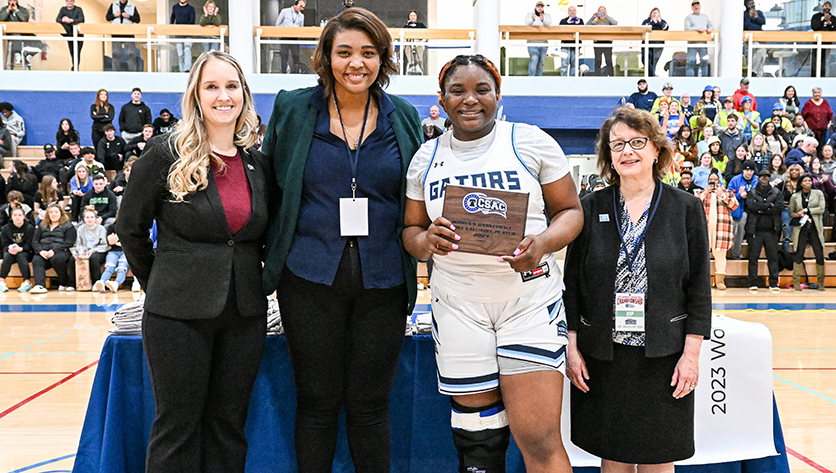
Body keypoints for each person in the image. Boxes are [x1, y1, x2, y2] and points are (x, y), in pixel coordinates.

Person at [259, 9, 423, 472]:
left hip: (385, 281)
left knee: (371, 406)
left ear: (383, 59)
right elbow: (269, 185)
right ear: (326, 57)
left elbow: (415, 194)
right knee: (316, 402)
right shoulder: (293, 108)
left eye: (368, 53)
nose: (356, 63)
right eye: (345, 52)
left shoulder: (403, 115)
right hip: (307, 278)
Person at [402, 53, 580, 473]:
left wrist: (544, 242)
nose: (470, 100)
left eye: (482, 90)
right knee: (478, 442)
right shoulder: (425, 157)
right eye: (457, 91)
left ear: (498, 94)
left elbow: (570, 211)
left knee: (537, 438)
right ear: (441, 100)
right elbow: (410, 231)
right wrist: (426, 240)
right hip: (460, 305)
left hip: (528, 301)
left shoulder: (530, 141)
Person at [118, 50, 270, 472]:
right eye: (212, 86)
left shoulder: (259, 163)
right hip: (177, 315)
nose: (224, 96)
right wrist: (163, 282)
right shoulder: (164, 153)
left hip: (244, 315)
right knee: (177, 427)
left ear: (244, 93)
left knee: (228, 426)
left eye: (231, 86)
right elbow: (129, 228)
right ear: (196, 96)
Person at [564, 107, 710, 471]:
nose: (627, 151)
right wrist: (572, 345)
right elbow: (572, 284)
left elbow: (700, 289)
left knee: (659, 456)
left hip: (664, 355)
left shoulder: (686, 208)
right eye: (617, 145)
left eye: (636, 142)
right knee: (612, 453)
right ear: (608, 156)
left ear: (656, 150)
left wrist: (691, 355)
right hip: (604, 354)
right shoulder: (590, 206)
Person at [745, 168, 784, 292]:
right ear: (759, 178)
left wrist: (761, 208)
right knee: (753, 257)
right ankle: (753, 283)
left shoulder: (777, 192)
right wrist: (769, 206)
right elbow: (751, 206)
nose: (764, 179)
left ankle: (773, 283)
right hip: (755, 230)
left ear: (770, 179)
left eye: (767, 177)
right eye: (762, 177)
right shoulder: (752, 192)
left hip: (772, 230)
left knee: (773, 257)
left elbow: (779, 207)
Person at [700, 169, 738, 290]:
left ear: (720, 181)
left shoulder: (727, 193)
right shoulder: (702, 193)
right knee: (701, 255)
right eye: (711, 180)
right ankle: (702, 282)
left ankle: (720, 280)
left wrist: (722, 195)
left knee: (720, 254)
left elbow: (734, 205)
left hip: (721, 229)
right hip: (704, 229)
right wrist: (705, 193)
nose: (713, 182)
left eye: (716, 180)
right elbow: (693, 205)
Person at [789, 174, 826, 291]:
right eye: (805, 181)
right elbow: (791, 213)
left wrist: (807, 210)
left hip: (815, 227)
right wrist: (797, 214)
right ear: (801, 183)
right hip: (801, 227)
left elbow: (821, 209)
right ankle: (796, 281)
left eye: (809, 181)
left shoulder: (818, 193)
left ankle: (821, 282)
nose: (808, 183)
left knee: (819, 254)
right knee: (799, 253)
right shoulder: (795, 196)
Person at [29, 203, 76, 294]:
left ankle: (64, 283)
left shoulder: (68, 226)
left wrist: (54, 250)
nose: (53, 214)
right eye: (51, 212)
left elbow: (69, 242)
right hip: (44, 251)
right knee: (37, 259)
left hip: (61, 251)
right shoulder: (42, 225)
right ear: (48, 214)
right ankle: (40, 285)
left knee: (57, 259)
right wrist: (41, 251)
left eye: (56, 212)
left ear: (61, 213)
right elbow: (35, 241)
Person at [727, 159, 757, 260]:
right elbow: (728, 195)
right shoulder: (735, 180)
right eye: (746, 170)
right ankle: (735, 254)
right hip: (740, 210)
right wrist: (740, 195)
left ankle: (753, 256)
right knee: (739, 230)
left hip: (755, 210)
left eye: (751, 171)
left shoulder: (757, 180)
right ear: (743, 170)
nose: (748, 173)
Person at [72, 207, 109, 285]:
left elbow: (104, 245)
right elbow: (78, 243)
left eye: (92, 217)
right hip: (84, 251)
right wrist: (81, 251)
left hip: (98, 251)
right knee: (72, 259)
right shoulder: (80, 229)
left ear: (95, 218)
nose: (89, 219)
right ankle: (73, 284)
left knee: (94, 259)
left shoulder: (101, 229)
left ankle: (96, 283)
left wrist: (92, 251)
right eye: (87, 217)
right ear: (84, 219)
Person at [0, 206, 34, 292]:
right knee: (7, 255)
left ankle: (27, 282)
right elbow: (5, 244)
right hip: (11, 251)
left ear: (24, 216)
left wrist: (21, 249)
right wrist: (10, 248)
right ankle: (1, 281)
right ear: (11, 217)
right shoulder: (5, 228)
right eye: (15, 215)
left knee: (21, 255)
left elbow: (30, 244)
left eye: (19, 215)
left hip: (26, 251)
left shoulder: (29, 228)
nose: (17, 217)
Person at [93, 216, 129, 292]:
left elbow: (130, 242)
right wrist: (121, 238)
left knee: (121, 268)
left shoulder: (130, 227)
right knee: (109, 267)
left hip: (126, 251)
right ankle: (101, 282)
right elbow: (110, 242)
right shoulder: (112, 227)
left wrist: (116, 239)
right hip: (113, 251)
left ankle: (116, 284)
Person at [106, 0, 141, 72]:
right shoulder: (113, 4)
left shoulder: (132, 5)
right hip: (116, 33)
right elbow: (107, 17)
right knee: (116, 54)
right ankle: (116, 73)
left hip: (128, 33)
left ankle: (132, 73)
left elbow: (137, 20)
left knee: (131, 54)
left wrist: (129, 16)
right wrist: (115, 15)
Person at [275, 0, 306, 74]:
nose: (301, 9)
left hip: (295, 38)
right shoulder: (285, 11)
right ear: (295, 4)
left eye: (303, 7)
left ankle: (295, 72)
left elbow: (301, 28)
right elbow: (278, 24)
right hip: (285, 37)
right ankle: (283, 72)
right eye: (300, 6)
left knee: (296, 56)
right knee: (284, 55)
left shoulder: (301, 16)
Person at [684, 0, 713, 77]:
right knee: (691, 61)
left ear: (700, 6)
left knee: (704, 60)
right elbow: (687, 28)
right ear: (692, 8)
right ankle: (690, 78)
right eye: (694, 6)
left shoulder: (705, 17)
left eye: (697, 5)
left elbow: (710, 26)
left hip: (703, 42)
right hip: (692, 42)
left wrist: (710, 29)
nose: (696, 7)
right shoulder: (689, 17)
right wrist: (697, 29)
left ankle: (704, 76)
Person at [801, 87, 832, 155]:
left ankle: (820, 162)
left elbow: (830, 114)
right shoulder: (808, 103)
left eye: (818, 92)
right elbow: (803, 116)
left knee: (821, 147)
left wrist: (829, 123)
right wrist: (806, 126)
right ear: (813, 94)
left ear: (821, 93)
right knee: (811, 147)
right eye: (815, 93)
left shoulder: (825, 103)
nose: (817, 94)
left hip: (822, 129)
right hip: (811, 130)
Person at [588, 6, 617, 77]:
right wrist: (593, 17)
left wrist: (607, 16)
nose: (601, 13)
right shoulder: (595, 22)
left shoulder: (608, 21)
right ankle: (597, 75)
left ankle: (611, 75)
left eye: (603, 11)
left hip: (607, 42)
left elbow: (615, 23)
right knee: (598, 60)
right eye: (600, 11)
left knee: (609, 60)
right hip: (598, 42)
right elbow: (587, 25)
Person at [525, 1, 552, 76]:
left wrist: (543, 19)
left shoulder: (547, 15)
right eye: (538, 7)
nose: (540, 8)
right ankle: (531, 77)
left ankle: (539, 78)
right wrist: (533, 19)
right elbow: (527, 23)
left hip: (543, 43)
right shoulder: (530, 15)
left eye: (541, 7)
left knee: (541, 62)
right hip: (532, 43)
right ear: (535, 7)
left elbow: (549, 23)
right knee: (534, 58)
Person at [56, 0, 85, 70]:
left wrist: (71, 20)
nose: (69, 2)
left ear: (73, 2)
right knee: (72, 51)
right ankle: (74, 66)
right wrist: (64, 20)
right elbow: (57, 19)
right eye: (68, 1)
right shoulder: (63, 9)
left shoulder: (78, 9)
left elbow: (82, 19)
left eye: (71, 1)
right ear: (66, 2)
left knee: (77, 51)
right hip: (69, 35)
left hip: (78, 35)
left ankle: (75, 67)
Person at [810, 1, 835, 78]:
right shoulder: (816, 16)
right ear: (822, 7)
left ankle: (823, 76)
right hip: (817, 42)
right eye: (825, 6)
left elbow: (834, 29)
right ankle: (814, 76)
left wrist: (828, 22)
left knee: (825, 61)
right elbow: (815, 27)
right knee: (815, 60)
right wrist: (824, 20)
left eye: (828, 6)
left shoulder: (833, 18)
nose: (827, 7)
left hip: (828, 44)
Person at [171, 0, 196, 73]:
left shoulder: (191, 8)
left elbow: (192, 21)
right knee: (180, 53)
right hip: (178, 34)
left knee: (187, 49)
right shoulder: (175, 7)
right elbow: (172, 19)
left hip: (188, 34)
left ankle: (187, 69)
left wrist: (184, 28)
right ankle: (182, 70)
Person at [642, 8, 668, 77]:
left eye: (657, 13)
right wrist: (653, 22)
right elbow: (644, 27)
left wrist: (659, 22)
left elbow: (666, 27)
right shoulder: (647, 21)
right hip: (647, 44)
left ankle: (651, 75)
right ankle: (652, 74)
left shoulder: (662, 22)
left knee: (654, 61)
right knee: (645, 59)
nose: (655, 15)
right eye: (653, 13)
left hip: (658, 44)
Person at [558, 6, 583, 76]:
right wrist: (568, 22)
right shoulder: (563, 21)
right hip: (565, 46)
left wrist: (578, 24)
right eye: (571, 11)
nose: (572, 12)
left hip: (576, 47)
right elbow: (560, 29)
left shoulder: (580, 21)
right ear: (568, 12)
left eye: (574, 10)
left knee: (574, 66)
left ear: (576, 11)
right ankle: (563, 80)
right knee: (564, 65)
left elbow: (583, 30)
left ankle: (573, 81)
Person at [743, 1, 765, 77]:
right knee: (758, 50)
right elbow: (747, 26)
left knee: (763, 54)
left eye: (752, 3)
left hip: (760, 38)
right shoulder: (745, 15)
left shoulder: (759, 13)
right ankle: (753, 71)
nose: (751, 5)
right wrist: (750, 17)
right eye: (749, 4)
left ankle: (759, 74)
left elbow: (763, 22)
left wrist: (756, 17)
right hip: (750, 39)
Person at [402, 10, 427, 75]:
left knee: (420, 47)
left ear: (416, 17)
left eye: (414, 15)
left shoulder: (421, 25)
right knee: (407, 48)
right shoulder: (406, 25)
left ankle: (418, 64)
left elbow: (426, 34)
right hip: (409, 42)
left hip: (418, 42)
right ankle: (411, 63)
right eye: (411, 16)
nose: (412, 17)